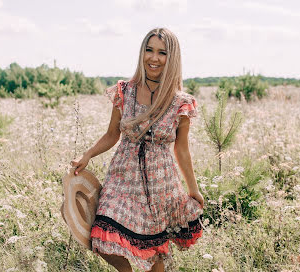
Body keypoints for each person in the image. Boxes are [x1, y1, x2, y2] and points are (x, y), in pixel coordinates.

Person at [70, 28, 204, 272]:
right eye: (149, 50)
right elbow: (113, 134)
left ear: (171, 58)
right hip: (123, 177)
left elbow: (182, 150)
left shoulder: (180, 102)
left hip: (160, 182)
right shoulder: (126, 90)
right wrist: (87, 155)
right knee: (102, 236)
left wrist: (194, 190)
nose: (154, 58)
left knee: (154, 252)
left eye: (162, 52)